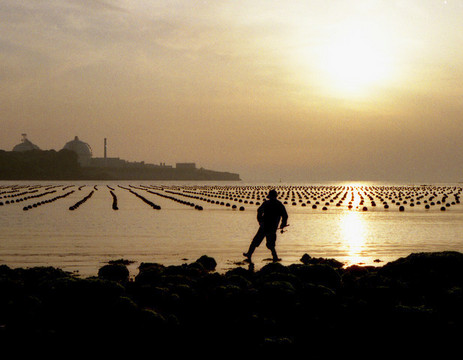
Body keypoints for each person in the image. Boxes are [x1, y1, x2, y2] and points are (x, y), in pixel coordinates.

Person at [243, 189, 288, 263]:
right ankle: (249, 254)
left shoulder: (276, 205)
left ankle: (274, 256)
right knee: (256, 241)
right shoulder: (272, 204)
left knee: (269, 244)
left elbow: (285, 216)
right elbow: (259, 211)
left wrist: (282, 224)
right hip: (265, 226)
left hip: (270, 227)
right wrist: (260, 221)